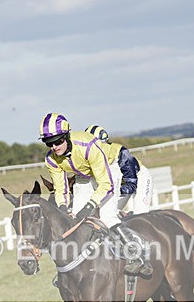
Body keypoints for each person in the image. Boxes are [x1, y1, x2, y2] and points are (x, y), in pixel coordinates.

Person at [39, 112, 152, 277]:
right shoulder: (51, 159)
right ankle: (74, 267)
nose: (55, 147)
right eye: (49, 143)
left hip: (109, 168)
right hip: (84, 175)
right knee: (74, 218)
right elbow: (60, 188)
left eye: (58, 141)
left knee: (106, 217)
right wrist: (63, 207)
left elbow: (106, 183)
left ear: (66, 135)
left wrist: (90, 205)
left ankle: (138, 256)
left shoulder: (87, 145)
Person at [85, 125, 153, 215]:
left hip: (139, 179)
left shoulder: (121, 153)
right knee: (106, 214)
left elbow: (131, 184)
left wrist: (113, 191)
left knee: (141, 214)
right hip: (118, 185)